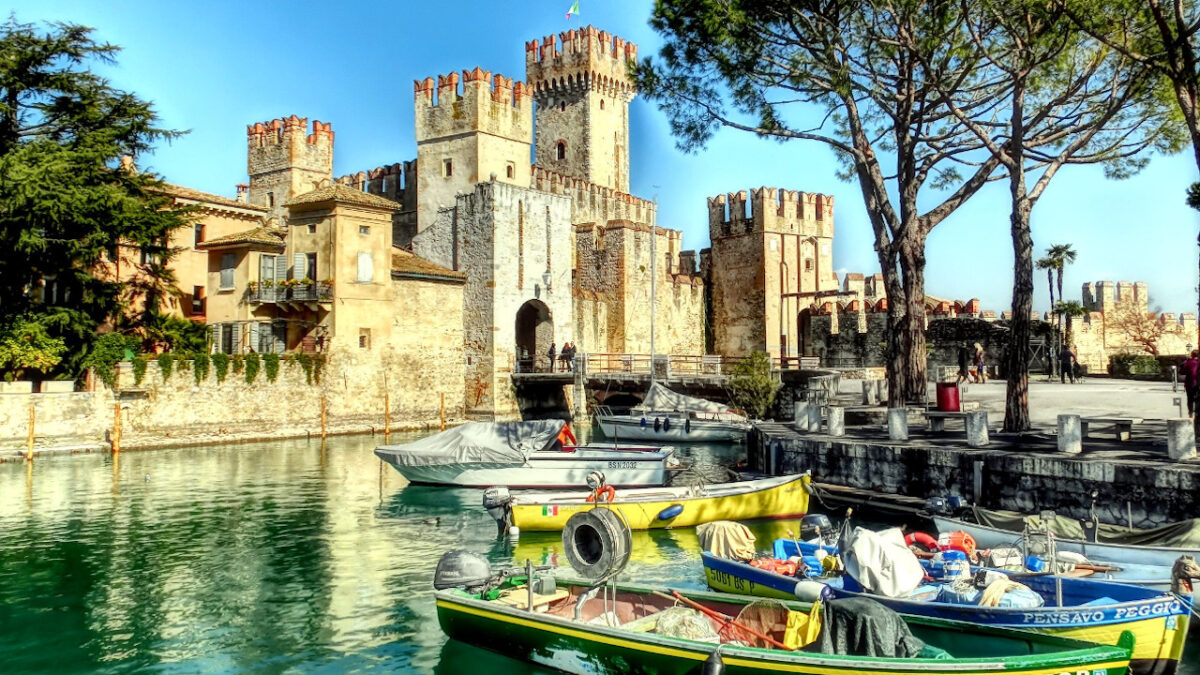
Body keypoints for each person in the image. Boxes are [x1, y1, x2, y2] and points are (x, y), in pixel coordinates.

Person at [1181, 350, 1200, 419]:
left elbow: (1182, 372)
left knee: (1190, 399)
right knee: (1197, 399)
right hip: (1197, 383)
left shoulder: (1188, 362)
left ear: (1192, 355)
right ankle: (1197, 414)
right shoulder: (1198, 362)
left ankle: (1191, 413)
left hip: (1189, 383)